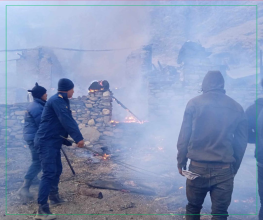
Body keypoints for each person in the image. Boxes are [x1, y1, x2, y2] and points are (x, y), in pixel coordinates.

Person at [177, 71, 248, 220]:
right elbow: (240, 143)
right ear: (222, 86)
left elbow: (184, 136)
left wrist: (181, 161)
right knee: (220, 213)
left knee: (193, 209)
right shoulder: (237, 107)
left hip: (197, 168)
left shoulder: (194, 104)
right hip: (224, 170)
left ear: (204, 85)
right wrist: (234, 167)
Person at [34, 78, 84, 220]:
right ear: (67, 89)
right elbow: (66, 120)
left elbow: (55, 123)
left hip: (53, 140)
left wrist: (66, 140)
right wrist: (78, 137)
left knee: (57, 169)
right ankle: (42, 209)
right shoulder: (57, 100)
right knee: (48, 173)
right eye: (72, 89)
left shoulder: (61, 100)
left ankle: (54, 197)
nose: (73, 91)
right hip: (46, 141)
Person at [18, 83, 47, 200]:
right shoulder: (36, 107)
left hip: (33, 136)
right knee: (38, 162)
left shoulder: (38, 105)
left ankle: (33, 179)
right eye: (45, 93)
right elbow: (42, 124)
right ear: (41, 95)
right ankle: (24, 188)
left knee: (36, 160)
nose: (46, 95)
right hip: (34, 137)